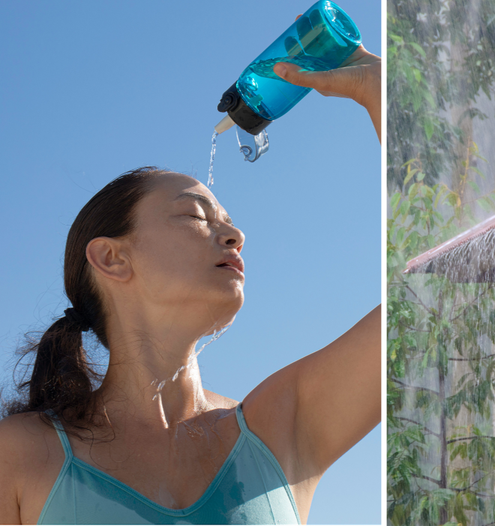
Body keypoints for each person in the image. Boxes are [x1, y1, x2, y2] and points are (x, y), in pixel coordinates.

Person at [0, 44, 381, 525]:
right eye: (195, 215)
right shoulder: (18, 456)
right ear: (113, 258)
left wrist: (375, 86)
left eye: (228, 222)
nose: (234, 235)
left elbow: (421, 301)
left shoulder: (282, 428)